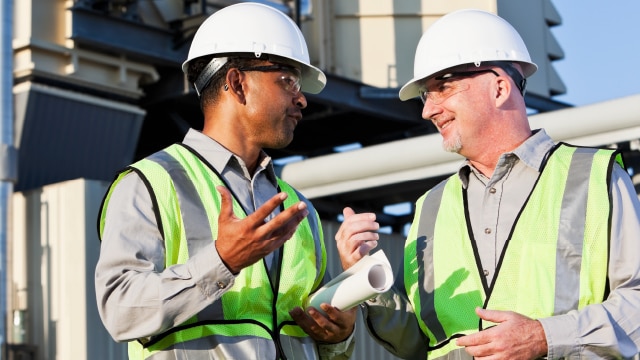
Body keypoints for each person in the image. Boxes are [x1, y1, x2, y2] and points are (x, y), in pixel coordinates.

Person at [335, 8, 640, 360]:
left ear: (499, 88)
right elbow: (418, 342)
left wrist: (545, 336)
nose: (427, 111)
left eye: (443, 88)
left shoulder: (593, 176)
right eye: (425, 96)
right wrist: (366, 275)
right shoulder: (430, 208)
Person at [94, 3, 357, 359]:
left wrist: (337, 337)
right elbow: (121, 313)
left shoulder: (299, 208)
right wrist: (223, 260)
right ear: (237, 83)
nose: (302, 99)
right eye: (287, 81)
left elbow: (317, 347)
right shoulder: (149, 184)